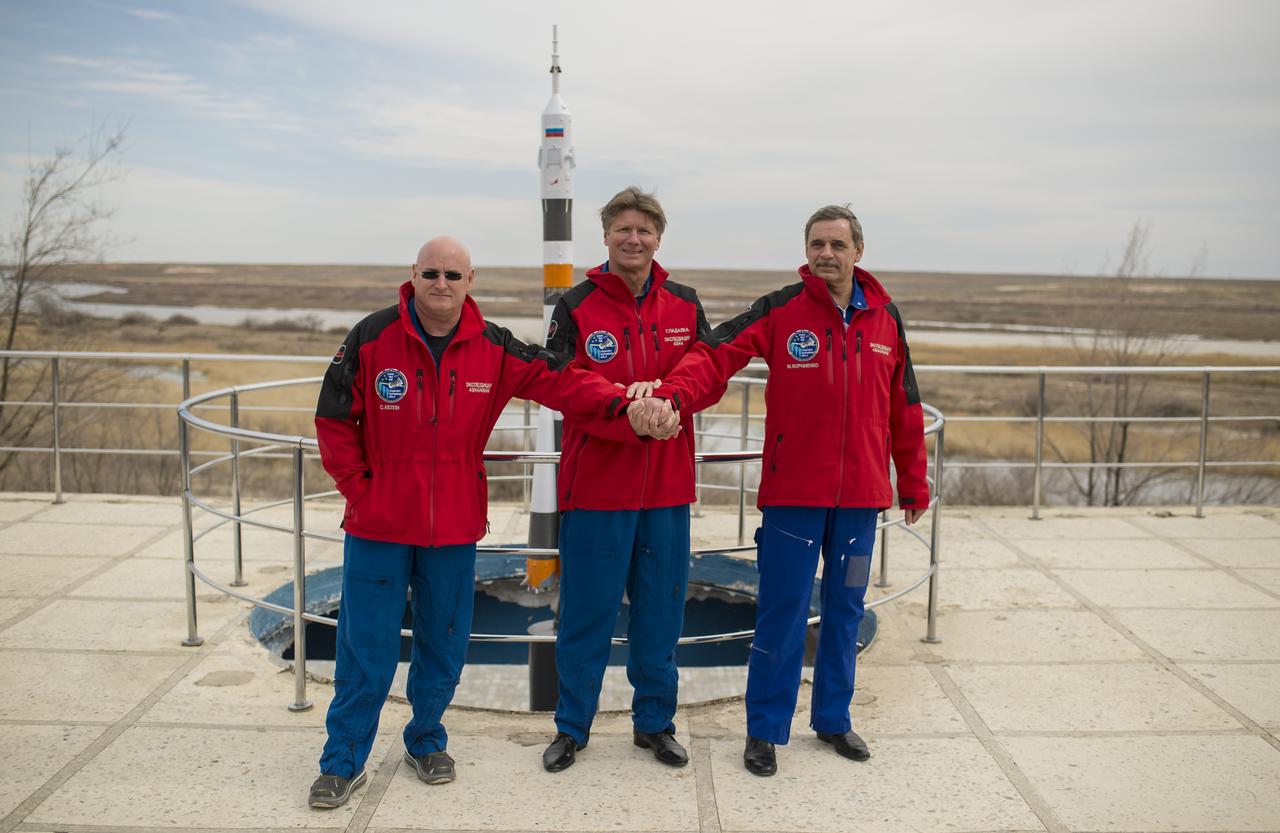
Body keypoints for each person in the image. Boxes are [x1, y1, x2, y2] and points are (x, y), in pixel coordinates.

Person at [309, 236, 647, 809]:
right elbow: (334, 420)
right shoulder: (371, 337)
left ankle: (427, 740)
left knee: (444, 642)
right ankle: (343, 761)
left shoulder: (493, 347)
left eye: (453, 275)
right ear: (413, 275)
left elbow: (562, 381)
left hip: (454, 527)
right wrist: (360, 490)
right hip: (378, 526)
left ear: (471, 281)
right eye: (432, 273)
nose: (442, 284)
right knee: (365, 646)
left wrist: (623, 405)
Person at [636, 205, 930, 776]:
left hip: (860, 503)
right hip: (795, 496)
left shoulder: (886, 320)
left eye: (837, 245)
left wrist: (913, 482)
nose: (826, 254)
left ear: (858, 252)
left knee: (845, 609)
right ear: (807, 250)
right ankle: (765, 731)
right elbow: (714, 356)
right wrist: (672, 396)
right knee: (782, 614)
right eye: (817, 244)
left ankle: (834, 720)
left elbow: (905, 405)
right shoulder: (779, 310)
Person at [539, 187, 722, 773]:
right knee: (586, 615)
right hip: (596, 491)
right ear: (607, 236)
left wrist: (665, 402)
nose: (633, 239)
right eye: (623, 229)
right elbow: (561, 384)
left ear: (658, 238)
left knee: (660, 615)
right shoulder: (575, 305)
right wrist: (626, 410)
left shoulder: (686, 305)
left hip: (666, 491)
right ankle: (571, 729)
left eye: (644, 230)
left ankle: (655, 725)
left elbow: (708, 375)